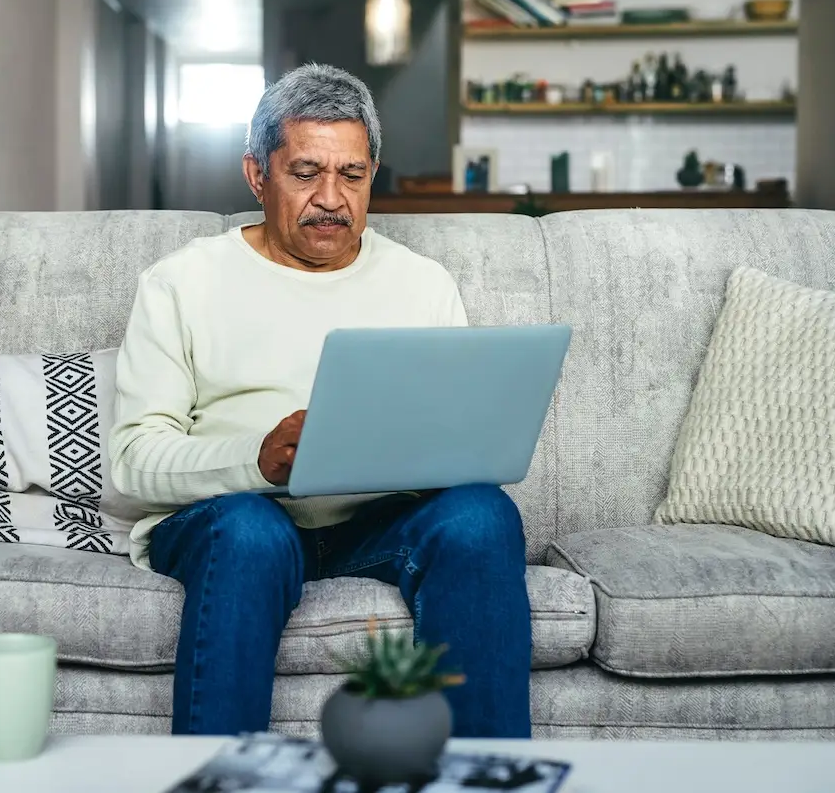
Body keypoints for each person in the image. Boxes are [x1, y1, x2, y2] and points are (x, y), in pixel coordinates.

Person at [110, 63, 530, 738]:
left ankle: (485, 782)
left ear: (373, 174)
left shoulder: (422, 283)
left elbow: (454, 432)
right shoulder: (180, 283)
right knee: (251, 530)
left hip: (374, 525)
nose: (331, 198)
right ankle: (225, 785)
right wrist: (258, 459)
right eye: (305, 173)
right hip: (234, 520)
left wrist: (453, 453)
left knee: (482, 514)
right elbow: (131, 460)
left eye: (352, 175)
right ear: (257, 174)